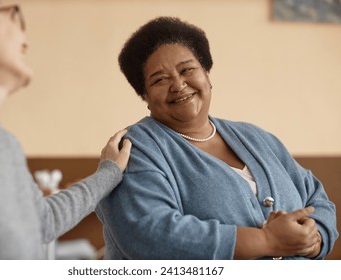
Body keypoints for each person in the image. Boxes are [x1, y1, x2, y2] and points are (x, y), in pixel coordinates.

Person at [96, 16, 338, 260]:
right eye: (160, 79)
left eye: (187, 69)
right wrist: (268, 241)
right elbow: (150, 234)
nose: (178, 85)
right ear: (145, 96)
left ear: (207, 75)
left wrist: (313, 240)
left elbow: (317, 199)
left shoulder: (256, 137)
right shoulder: (135, 147)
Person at [0, 0, 132, 259]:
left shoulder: (6, 145)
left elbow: (41, 221)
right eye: (16, 17)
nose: (26, 41)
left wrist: (108, 174)